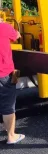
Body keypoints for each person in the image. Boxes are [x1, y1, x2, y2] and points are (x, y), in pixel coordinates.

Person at [0, 16, 24, 144]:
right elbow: (17, 36)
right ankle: (11, 136)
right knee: (8, 106)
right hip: (4, 74)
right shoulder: (4, 27)